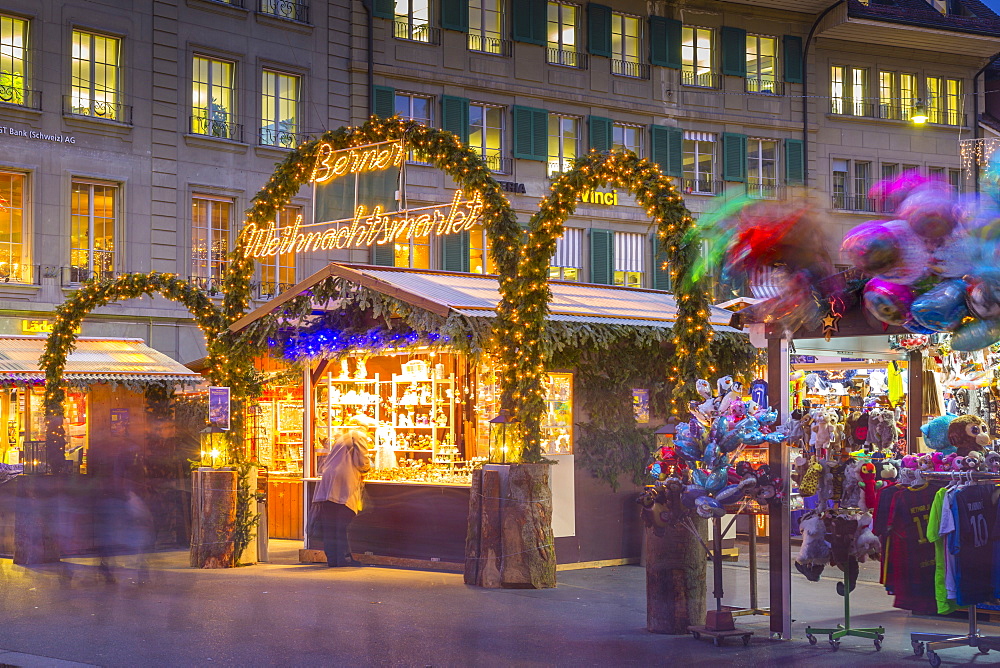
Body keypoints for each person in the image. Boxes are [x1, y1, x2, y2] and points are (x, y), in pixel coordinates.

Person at [313, 429, 371, 567]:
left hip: (329, 481)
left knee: (330, 524)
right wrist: (366, 470)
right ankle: (343, 558)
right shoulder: (358, 435)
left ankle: (332, 558)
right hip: (344, 483)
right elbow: (362, 461)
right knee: (342, 524)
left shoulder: (341, 438)